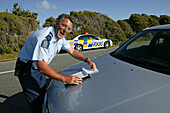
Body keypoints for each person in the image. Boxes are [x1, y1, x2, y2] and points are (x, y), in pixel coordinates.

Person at [14, 14, 96, 113]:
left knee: (42, 95)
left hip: (38, 66)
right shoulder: (44, 38)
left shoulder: (61, 38)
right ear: (56, 23)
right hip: (28, 69)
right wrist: (66, 79)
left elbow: (72, 51)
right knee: (36, 101)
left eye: (69, 29)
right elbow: (42, 68)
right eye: (64, 25)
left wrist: (87, 60)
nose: (65, 30)